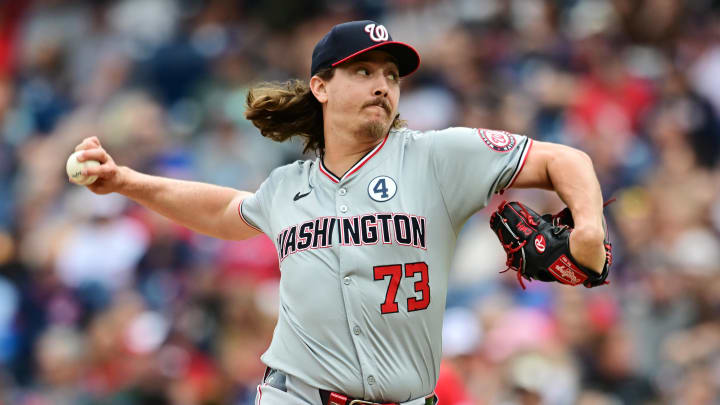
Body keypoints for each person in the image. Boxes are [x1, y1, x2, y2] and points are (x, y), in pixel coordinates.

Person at [70, 20, 608, 405]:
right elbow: (226, 211)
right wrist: (127, 182)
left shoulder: (438, 156)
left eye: (392, 76)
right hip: (296, 394)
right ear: (321, 86)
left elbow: (566, 160)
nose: (382, 84)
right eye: (363, 71)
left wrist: (588, 227)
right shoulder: (288, 186)